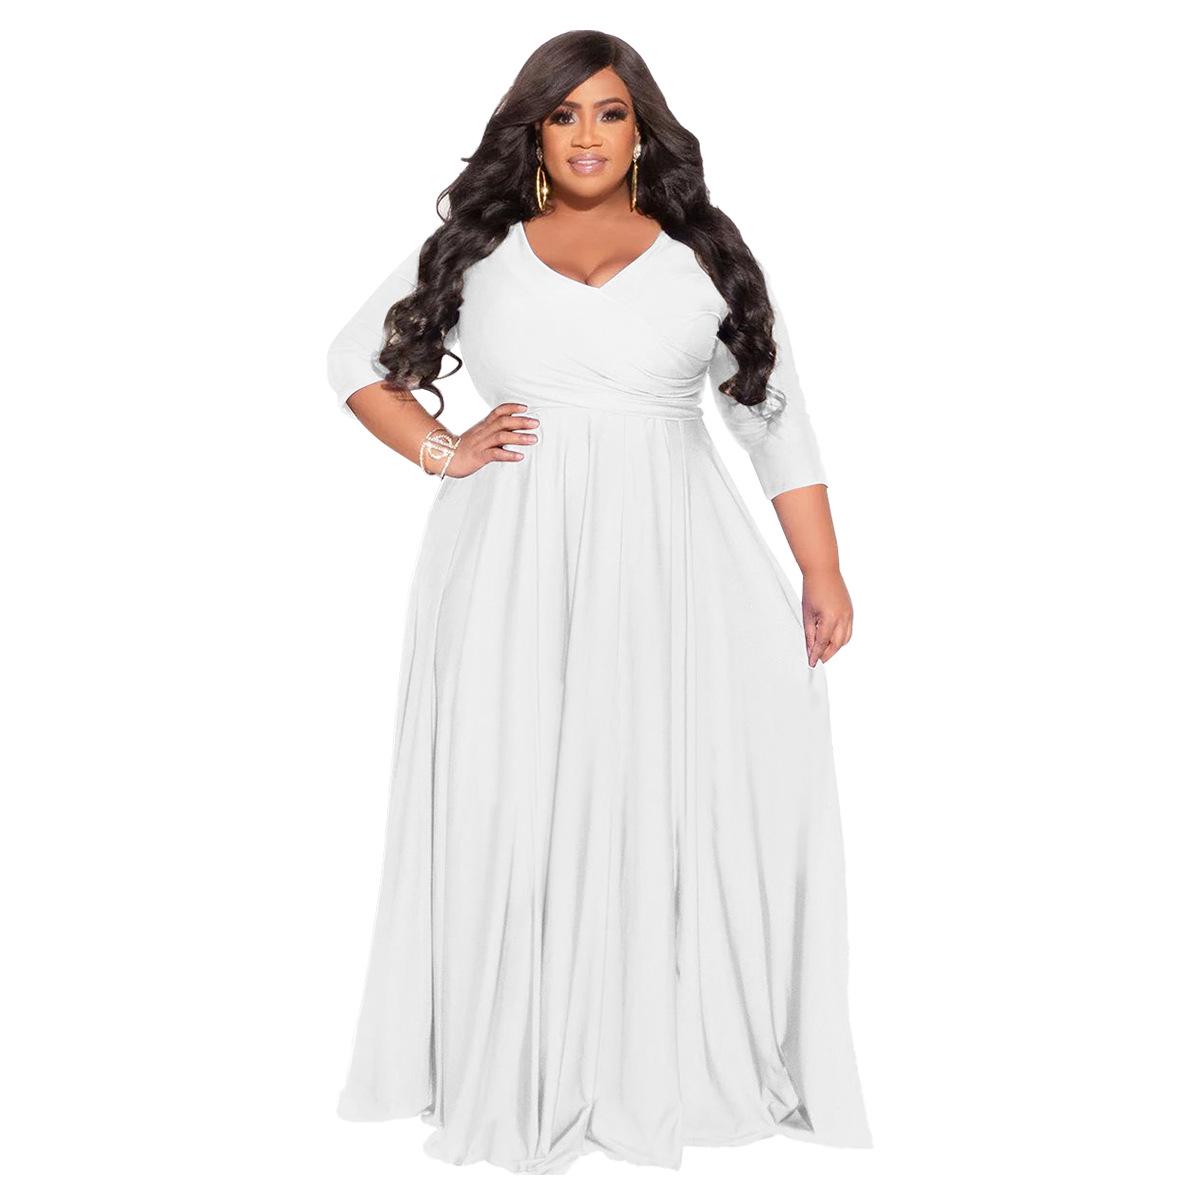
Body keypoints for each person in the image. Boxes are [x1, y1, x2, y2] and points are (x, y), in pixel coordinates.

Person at [326, 30, 872, 1174]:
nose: (586, 136)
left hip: (678, 565)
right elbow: (355, 363)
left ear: (641, 129)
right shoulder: (478, 247)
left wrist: (821, 572)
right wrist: (444, 448)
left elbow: (775, 418)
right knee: (512, 787)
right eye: (563, 115)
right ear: (531, 132)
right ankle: (518, 1059)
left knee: (666, 785)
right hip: (507, 563)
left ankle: (652, 1060)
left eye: (609, 113)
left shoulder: (700, 252)